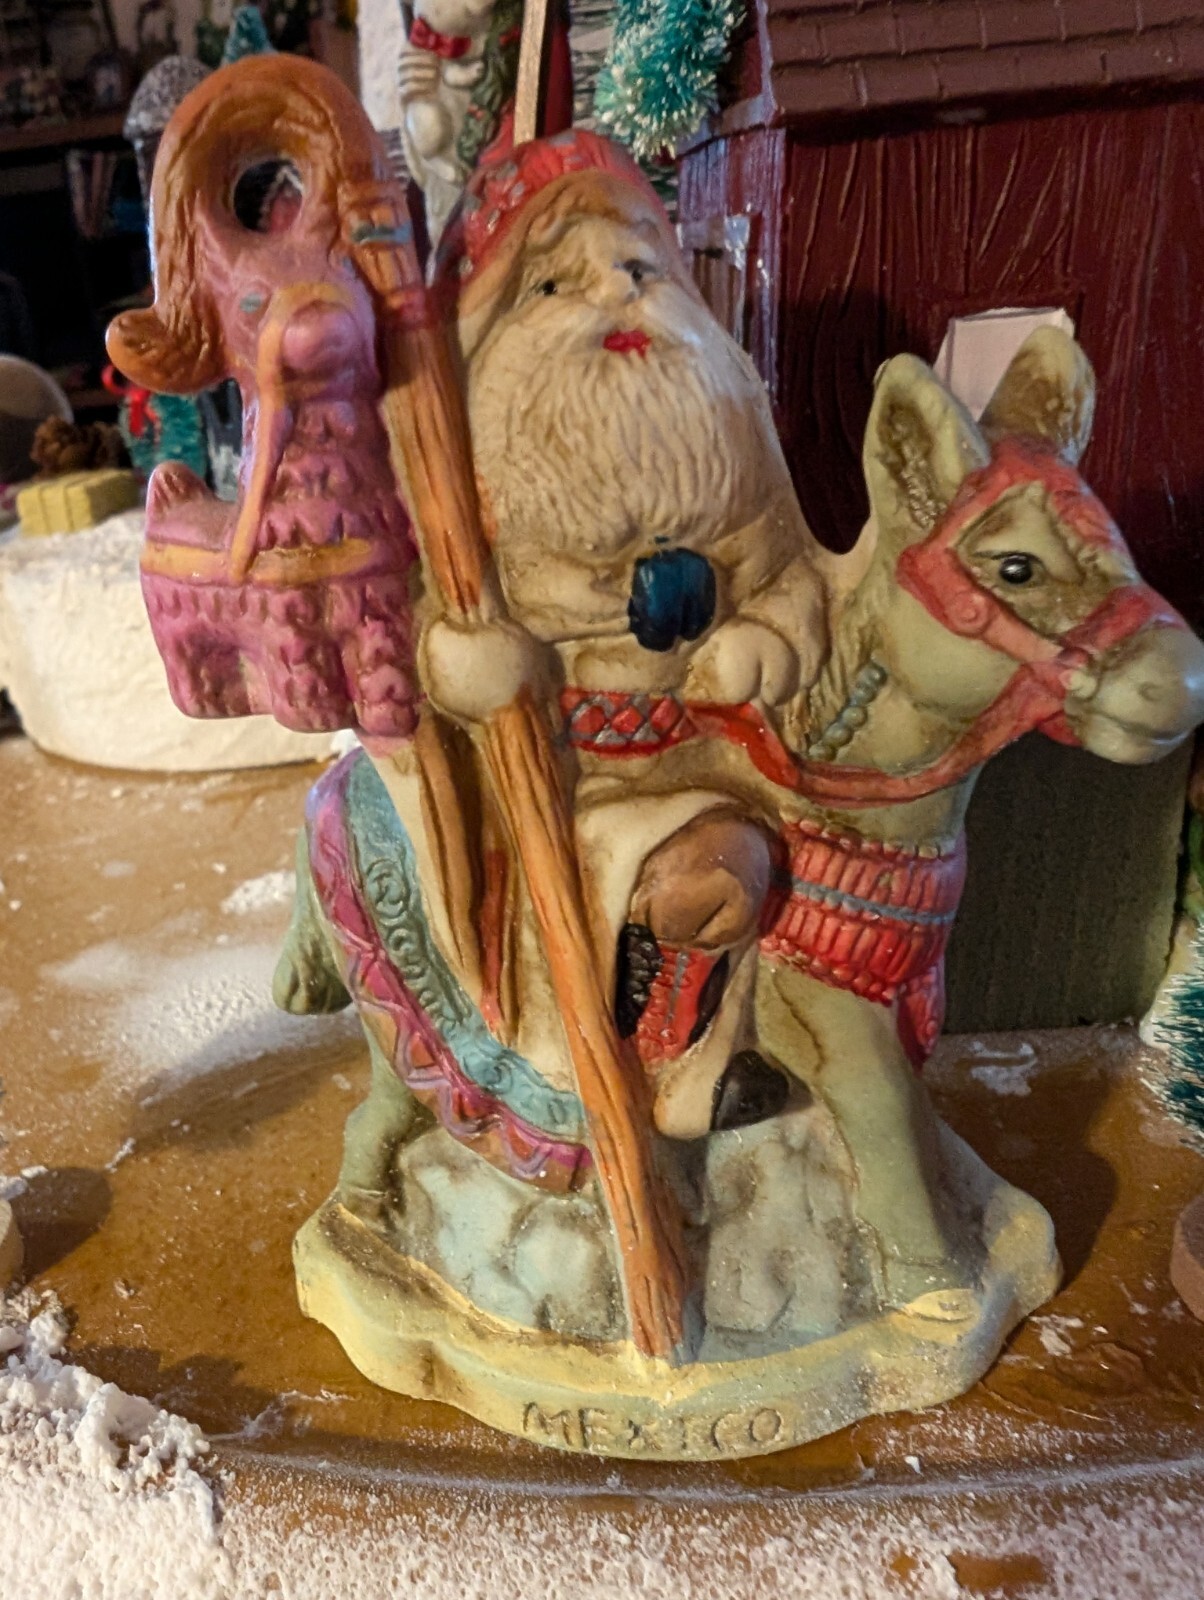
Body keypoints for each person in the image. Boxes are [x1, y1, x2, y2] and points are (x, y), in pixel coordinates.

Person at [422, 130, 829, 1135]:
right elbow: (422, 628)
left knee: (757, 870)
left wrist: (768, 633)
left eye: (639, 268)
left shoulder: (727, 427)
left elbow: (792, 569)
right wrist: (462, 660)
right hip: (566, 778)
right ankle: (589, 1070)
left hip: (711, 755)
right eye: (557, 283)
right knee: (669, 880)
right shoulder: (476, 476)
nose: (614, 293)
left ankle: (708, 1060)